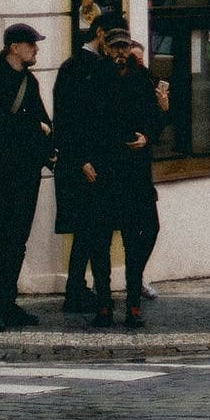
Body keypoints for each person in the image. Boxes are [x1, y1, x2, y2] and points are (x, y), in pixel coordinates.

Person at [0, 24, 53, 331]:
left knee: (18, 238)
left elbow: (42, 119)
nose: (36, 49)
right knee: (0, 236)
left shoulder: (28, 81)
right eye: (31, 44)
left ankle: (7, 301)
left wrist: (48, 144)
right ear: (14, 48)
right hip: (1, 169)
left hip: (27, 170)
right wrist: (35, 129)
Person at [52, 24, 119, 317]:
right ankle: (78, 290)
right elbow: (69, 117)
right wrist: (81, 158)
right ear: (100, 33)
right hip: (85, 163)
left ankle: (77, 288)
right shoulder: (82, 66)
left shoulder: (80, 65)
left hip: (85, 160)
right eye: (113, 41)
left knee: (85, 230)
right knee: (90, 228)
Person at [110, 32, 163, 328]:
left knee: (150, 229)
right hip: (114, 169)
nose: (122, 52)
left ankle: (134, 287)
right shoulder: (104, 78)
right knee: (125, 237)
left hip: (140, 170)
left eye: (126, 47)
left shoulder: (142, 78)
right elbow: (100, 120)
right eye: (118, 47)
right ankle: (127, 305)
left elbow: (155, 119)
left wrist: (148, 135)